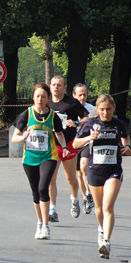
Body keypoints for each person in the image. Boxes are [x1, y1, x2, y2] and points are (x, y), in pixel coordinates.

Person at [74, 94, 131, 259]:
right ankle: (101, 229)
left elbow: (125, 136)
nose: (105, 112)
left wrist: (127, 146)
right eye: (102, 109)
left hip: (113, 170)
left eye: (108, 109)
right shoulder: (91, 124)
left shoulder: (118, 124)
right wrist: (89, 138)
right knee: (99, 208)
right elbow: (75, 144)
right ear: (97, 110)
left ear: (113, 108)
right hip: (94, 170)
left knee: (108, 206)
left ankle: (106, 241)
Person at [11, 83, 70, 240]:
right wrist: (22, 137)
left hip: (48, 157)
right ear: (33, 97)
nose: (40, 99)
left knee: (44, 187)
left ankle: (46, 226)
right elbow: (14, 137)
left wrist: (64, 146)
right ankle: (39, 223)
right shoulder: (27, 114)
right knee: (35, 192)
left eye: (43, 96)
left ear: (48, 98)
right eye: (37, 96)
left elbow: (59, 133)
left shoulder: (52, 116)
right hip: (30, 159)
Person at [47, 76, 88, 222]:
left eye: (59, 85)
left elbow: (85, 117)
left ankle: (74, 200)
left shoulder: (72, 103)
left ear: (64, 88)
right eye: (53, 85)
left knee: (70, 178)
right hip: (52, 145)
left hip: (69, 144)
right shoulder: (47, 102)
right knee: (51, 178)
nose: (56, 87)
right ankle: (52, 209)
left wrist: (76, 122)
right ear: (50, 86)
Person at [72, 83, 96, 215]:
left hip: (86, 142)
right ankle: (85, 196)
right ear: (74, 96)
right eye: (79, 95)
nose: (82, 97)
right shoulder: (69, 108)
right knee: (79, 174)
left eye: (84, 95)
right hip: (74, 143)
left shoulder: (91, 109)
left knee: (84, 167)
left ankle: (89, 194)